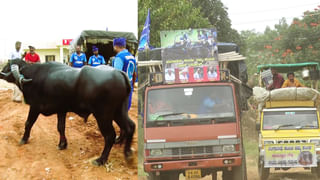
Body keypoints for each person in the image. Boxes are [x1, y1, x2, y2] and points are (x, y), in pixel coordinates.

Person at [112, 37, 137, 110]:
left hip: (121, 88)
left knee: (119, 111)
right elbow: (134, 74)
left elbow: (117, 75)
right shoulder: (132, 57)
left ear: (116, 46)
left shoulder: (119, 57)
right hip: (129, 86)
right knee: (126, 110)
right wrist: (132, 84)